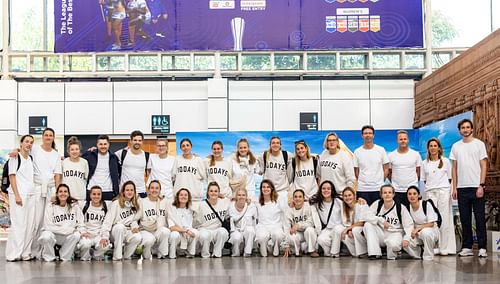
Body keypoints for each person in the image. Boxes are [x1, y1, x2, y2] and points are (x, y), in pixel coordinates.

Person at [450, 118, 488, 257]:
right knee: (465, 219)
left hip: (476, 186)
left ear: (472, 129)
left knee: (479, 218)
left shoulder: (479, 144)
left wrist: (481, 185)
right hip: (461, 188)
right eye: (463, 128)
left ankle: (483, 247)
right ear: (460, 130)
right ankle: (467, 247)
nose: (465, 129)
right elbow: (454, 168)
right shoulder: (456, 146)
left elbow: (484, 165)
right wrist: (454, 188)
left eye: (467, 127)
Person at [31, 128, 63, 259]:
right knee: (36, 221)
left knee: (47, 221)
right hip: (37, 188)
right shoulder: (35, 149)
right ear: (42, 137)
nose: (48, 137)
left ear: (53, 137)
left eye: (51, 135)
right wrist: (15, 151)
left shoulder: (56, 154)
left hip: (50, 190)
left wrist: (56, 191)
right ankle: (33, 251)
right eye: (46, 135)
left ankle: (46, 251)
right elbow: (22, 150)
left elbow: (57, 174)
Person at [421, 137, 456, 255]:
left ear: (439, 148)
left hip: (443, 192)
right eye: (430, 146)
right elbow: (424, 180)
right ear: (428, 148)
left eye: (435, 145)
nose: (433, 148)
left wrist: (448, 190)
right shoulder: (424, 163)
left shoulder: (445, 161)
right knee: (433, 220)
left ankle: (445, 247)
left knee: (444, 219)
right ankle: (434, 246)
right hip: (430, 193)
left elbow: (450, 178)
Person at [5, 135, 36, 262]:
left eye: (31, 142)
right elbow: (12, 176)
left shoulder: (30, 158)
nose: (29, 144)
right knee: (19, 224)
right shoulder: (15, 157)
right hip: (18, 195)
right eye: (27, 141)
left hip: (30, 194)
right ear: (21, 143)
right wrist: (17, 195)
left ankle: (25, 253)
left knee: (30, 225)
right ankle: (13, 254)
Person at [363, 184, 414, 260]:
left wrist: (406, 238)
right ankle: (375, 253)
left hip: (395, 233)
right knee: (368, 225)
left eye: (390, 192)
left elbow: (409, 225)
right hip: (381, 233)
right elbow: (366, 216)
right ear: (381, 195)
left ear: (393, 194)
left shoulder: (400, 207)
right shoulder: (377, 204)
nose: (387, 195)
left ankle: (393, 252)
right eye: (385, 192)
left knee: (392, 246)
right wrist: (381, 220)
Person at [38, 184, 84, 261]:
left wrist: (82, 231)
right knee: (46, 235)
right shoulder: (50, 206)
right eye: (60, 191)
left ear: (68, 194)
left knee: (77, 235)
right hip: (55, 235)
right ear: (57, 194)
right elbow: (48, 226)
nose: (63, 193)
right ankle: (49, 257)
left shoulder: (74, 206)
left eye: (65, 191)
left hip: (68, 237)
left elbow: (81, 222)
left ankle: (64, 256)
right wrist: (69, 230)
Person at [100, 181, 142, 261]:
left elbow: (133, 220)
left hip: (127, 230)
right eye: (127, 190)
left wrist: (134, 227)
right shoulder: (116, 203)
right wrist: (105, 236)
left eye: (131, 190)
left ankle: (126, 255)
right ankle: (117, 256)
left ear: (134, 192)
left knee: (137, 237)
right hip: (115, 231)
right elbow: (107, 221)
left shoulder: (135, 203)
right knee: (120, 227)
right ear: (123, 192)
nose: (129, 192)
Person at [353, 125, 389, 205]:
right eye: (365, 133)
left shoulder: (381, 150)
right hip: (362, 189)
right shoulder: (357, 152)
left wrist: (380, 180)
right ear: (362, 135)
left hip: (378, 188)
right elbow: (356, 171)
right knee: (363, 213)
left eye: (370, 133)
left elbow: (386, 168)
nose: (368, 135)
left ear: (373, 135)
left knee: (378, 213)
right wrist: (364, 180)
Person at [82, 135, 121, 205]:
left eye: (105, 144)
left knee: (108, 214)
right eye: (100, 144)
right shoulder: (90, 155)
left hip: (108, 191)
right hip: (92, 189)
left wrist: (117, 192)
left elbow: (119, 173)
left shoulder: (114, 158)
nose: (103, 146)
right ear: (97, 145)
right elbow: (77, 159)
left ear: (109, 144)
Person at [331, 187, 369, 258]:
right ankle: (335, 253)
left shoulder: (361, 204)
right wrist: (348, 230)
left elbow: (362, 222)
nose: (347, 197)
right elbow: (346, 223)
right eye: (345, 196)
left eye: (349, 195)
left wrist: (348, 229)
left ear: (354, 196)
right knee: (338, 229)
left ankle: (363, 251)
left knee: (354, 230)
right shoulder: (343, 207)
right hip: (351, 230)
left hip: (362, 231)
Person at [196, 181, 231, 258]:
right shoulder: (201, 205)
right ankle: (205, 255)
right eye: (211, 191)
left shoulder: (224, 202)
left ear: (219, 193)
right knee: (204, 235)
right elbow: (195, 221)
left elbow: (235, 200)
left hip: (216, 230)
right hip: (204, 229)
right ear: (207, 192)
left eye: (216, 191)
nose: (213, 193)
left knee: (223, 232)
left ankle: (217, 254)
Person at [136, 180, 170, 259]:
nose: (154, 190)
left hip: (157, 231)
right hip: (145, 230)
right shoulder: (142, 202)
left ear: (160, 190)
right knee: (150, 239)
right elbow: (135, 219)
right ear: (148, 190)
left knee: (165, 231)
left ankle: (162, 255)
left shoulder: (164, 202)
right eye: (152, 188)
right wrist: (134, 227)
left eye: (157, 188)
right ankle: (146, 255)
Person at [405, 186, 440, 261]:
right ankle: (419, 253)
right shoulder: (407, 208)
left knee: (426, 232)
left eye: (414, 194)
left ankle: (428, 256)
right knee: (405, 242)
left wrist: (417, 228)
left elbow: (431, 224)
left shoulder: (426, 204)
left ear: (419, 195)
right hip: (416, 233)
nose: (412, 196)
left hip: (431, 231)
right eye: (409, 194)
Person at [388, 130, 422, 207]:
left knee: (413, 214)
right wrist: (395, 182)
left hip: (412, 191)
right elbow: (389, 172)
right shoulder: (391, 155)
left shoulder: (415, 154)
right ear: (397, 141)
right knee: (398, 214)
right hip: (396, 190)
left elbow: (418, 172)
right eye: (401, 139)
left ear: (408, 140)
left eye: (405, 139)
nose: (403, 141)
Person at [283, 189, 320, 258]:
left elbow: (311, 223)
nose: (298, 199)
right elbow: (286, 228)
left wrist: (298, 225)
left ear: (304, 198)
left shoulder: (309, 207)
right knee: (292, 235)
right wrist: (286, 245)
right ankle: (297, 250)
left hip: (308, 232)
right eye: (296, 197)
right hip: (298, 233)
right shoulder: (288, 210)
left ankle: (312, 250)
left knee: (310, 230)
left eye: (300, 197)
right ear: (293, 199)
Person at [310, 180, 341, 257]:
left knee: (337, 230)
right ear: (320, 190)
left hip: (339, 227)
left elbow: (351, 202)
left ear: (332, 190)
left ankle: (335, 253)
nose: (326, 190)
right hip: (327, 229)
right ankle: (329, 253)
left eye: (328, 188)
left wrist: (360, 200)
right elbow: (306, 203)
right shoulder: (317, 203)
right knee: (321, 240)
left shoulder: (339, 201)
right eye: (323, 188)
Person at [255, 179, 286, 257]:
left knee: (278, 235)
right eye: (263, 187)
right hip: (262, 226)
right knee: (262, 237)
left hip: (276, 226)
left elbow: (285, 213)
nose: (265, 189)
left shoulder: (278, 200)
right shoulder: (257, 202)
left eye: (268, 187)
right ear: (261, 189)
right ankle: (263, 247)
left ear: (272, 189)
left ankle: (276, 247)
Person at [258, 136, 291, 208]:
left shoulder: (286, 155)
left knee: (284, 216)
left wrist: (314, 156)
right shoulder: (264, 155)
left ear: (280, 145)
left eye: (277, 143)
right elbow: (258, 168)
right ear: (270, 145)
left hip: (282, 192)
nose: (275, 145)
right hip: (268, 192)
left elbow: (299, 156)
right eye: (273, 143)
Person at [115, 130, 150, 198]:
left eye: (139, 140)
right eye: (135, 140)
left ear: (142, 142)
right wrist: (95, 150)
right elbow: (107, 155)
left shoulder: (147, 156)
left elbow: (152, 173)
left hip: (140, 192)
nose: (137, 142)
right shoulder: (122, 153)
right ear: (130, 141)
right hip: (124, 191)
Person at [79, 185, 109, 261]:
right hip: (87, 234)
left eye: (99, 194)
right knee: (85, 244)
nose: (96, 196)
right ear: (90, 195)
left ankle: (96, 255)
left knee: (105, 245)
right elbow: (79, 220)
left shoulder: (106, 206)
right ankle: (85, 256)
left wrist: (104, 237)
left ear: (101, 195)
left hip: (98, 235)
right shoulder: (84, 205)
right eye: (94, 194)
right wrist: (83, 232)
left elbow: (106, 224)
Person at [171, 138, 206, 203]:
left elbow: (204, 176)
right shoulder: (177, 159)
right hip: (180, 198)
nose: (185, 147)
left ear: (191, 146)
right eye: (183, 146)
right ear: (180, 148)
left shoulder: (198, 160)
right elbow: (173, 177)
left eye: (187, 145)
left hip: (195, 198)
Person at [167, 188, 198, 259]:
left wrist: (188, 231)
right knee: (174, 235)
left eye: (185, 195)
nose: (183, 197)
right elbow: (172, 227)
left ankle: (190, 253)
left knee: (195, 232)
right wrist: (186, 230)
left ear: (188, 197)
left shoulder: (191, 209)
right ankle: (172, 254)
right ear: (177, 197)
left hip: (187, 234)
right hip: (177, 232)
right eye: (181, 195)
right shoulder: (172, 209)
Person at [228, 188, 257, 257]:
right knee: (236, 237)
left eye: (243, 195)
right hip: (235, 230)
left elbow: (254, 221)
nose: (241, 197)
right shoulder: (231, 206)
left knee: (251, 230)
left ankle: (248, 252)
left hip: (247, 228)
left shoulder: (251, 206)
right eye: (239, 195)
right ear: (236, 196)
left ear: (246, 197)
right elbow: (227, 218)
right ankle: (235, 253)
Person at [62, 136, 89, 207]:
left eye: (77, 149)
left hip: (80, 198)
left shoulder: (84, 162)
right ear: (68, 151)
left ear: (80, 150)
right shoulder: (63, 162)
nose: (74, 151)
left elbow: (86, 178)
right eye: (72, 149)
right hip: (66, 197)